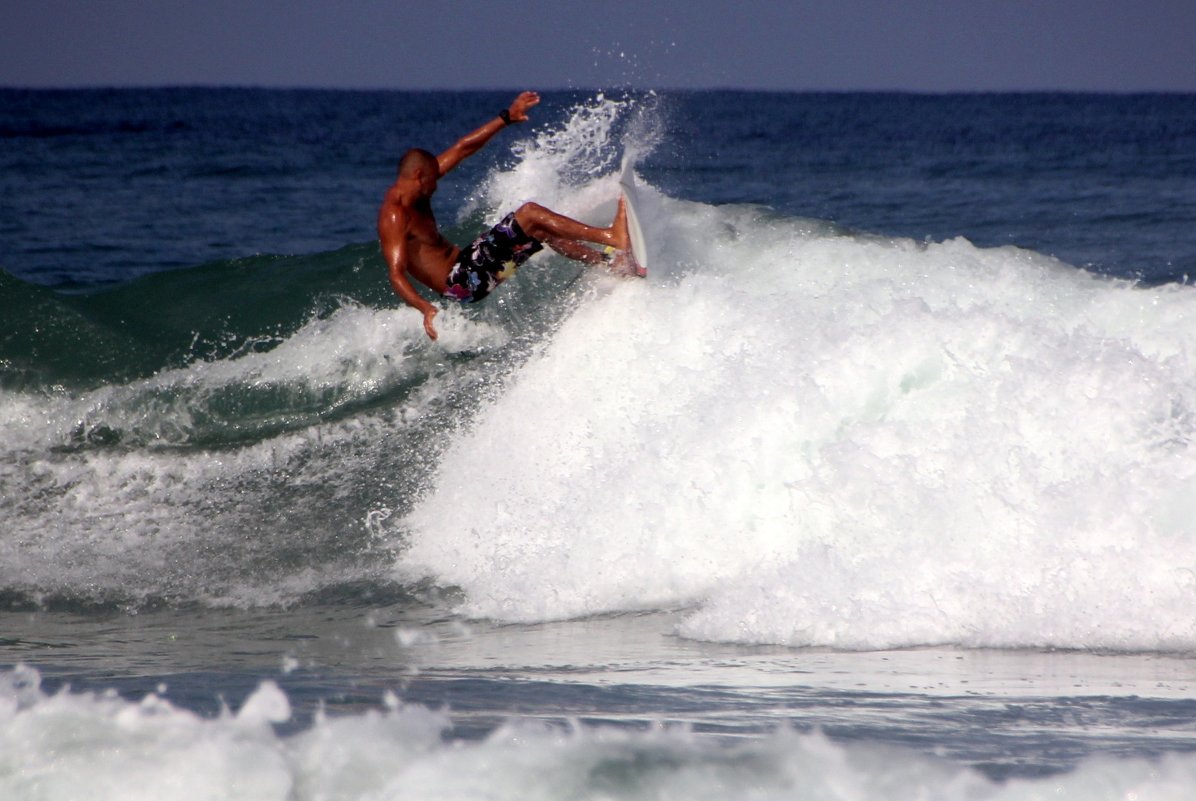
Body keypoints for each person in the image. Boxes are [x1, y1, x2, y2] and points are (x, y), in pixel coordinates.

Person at [377, 91, 637, 340]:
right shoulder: (395, 216)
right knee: (530, 213)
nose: (437, 185)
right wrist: (425, 309)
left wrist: (506, 117)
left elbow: (462, 149)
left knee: (540, 231)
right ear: (419, 177)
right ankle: (611, 236)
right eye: (433, 180)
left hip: (468, 263)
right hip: (462, 280)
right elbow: (396, 274)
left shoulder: (418, 189)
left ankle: (609, 263)